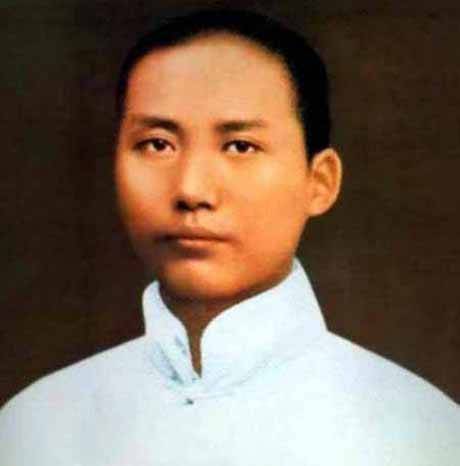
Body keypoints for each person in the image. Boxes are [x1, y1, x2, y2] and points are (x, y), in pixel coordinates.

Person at [1, 8, 458, 466]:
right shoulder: (33, 427)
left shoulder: (423, 434)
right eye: (158, 144)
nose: (191, 190)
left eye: (240, 146)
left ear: (319, 181)